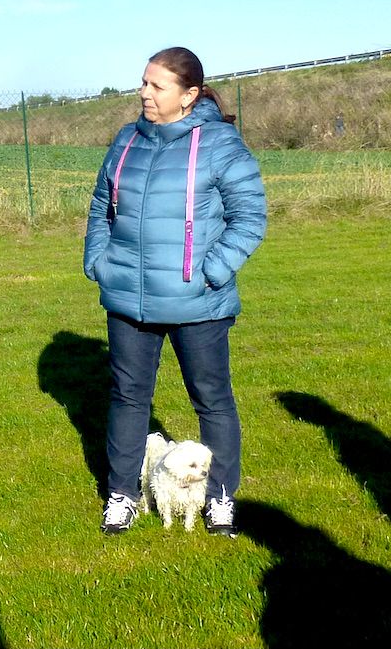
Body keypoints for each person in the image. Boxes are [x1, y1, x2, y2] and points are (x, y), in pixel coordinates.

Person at [83, 47, 266, 537]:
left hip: (198, 303)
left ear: (188, 96)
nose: (144, 93)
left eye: (155, 85)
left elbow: (250, 217)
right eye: (143, 82)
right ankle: (122, 495)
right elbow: (103, 203)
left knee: (213, 400)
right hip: (128, 299)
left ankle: (220, 498)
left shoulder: (221, 146)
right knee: (127, 398)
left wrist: (212, 271)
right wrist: (99, 260)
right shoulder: (126, 140)